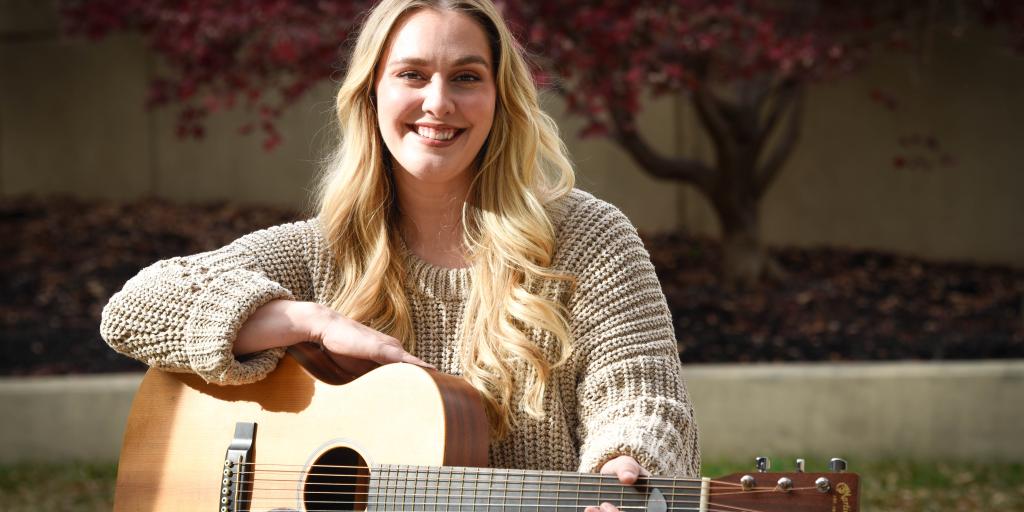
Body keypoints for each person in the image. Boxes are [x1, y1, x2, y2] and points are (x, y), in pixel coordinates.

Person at [100, 0, 700, 510]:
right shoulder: (320, 251)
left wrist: (626, 462)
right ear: (371, 94)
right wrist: (313, 321)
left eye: (466, 77)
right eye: (412, 74)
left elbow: (642, 396)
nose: (438, 103)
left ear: (500, 99)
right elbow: (134, 309)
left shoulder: (586, 237)